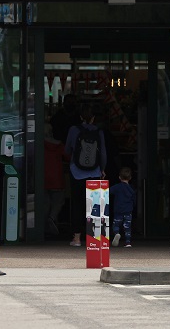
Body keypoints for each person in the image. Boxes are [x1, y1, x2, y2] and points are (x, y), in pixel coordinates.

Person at [65, 102, 106, 247]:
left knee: (77, 204)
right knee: (94, 205)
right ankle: (94, 239)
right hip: (94, 172)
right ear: (93, 118)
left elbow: (67, 150)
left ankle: (77, 238)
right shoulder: (99, 132)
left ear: (81, 116)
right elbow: (103, 154)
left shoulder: (73, 130)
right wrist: (102, 169)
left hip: (76, 172)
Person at [43, 122, 67, 237]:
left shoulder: (38, 144)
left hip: (42, 178)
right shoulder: (59, 145)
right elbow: (68, 156)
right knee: (58, 200)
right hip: (57, 178)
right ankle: (52, 219)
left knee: (45, 202)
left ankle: (45, 224)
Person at [109, 166, 136, 247]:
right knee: (127, 227)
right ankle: (128, 242)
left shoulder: (117, 187)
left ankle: (117, 233)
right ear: (130, 178)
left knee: (116, 224)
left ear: (119, 177)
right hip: (128, 211)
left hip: (118, 210)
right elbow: (134, 200)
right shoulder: (131, 189)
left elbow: (107, 191)